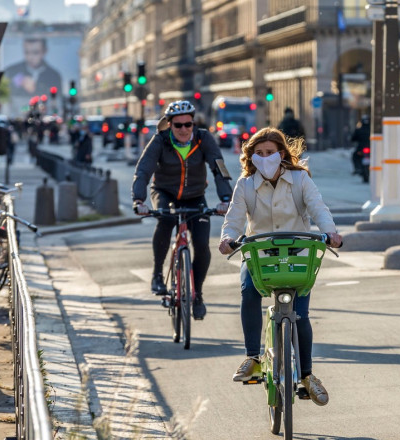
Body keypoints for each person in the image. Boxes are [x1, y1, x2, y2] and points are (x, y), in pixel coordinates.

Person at [218, 127, 342, 406]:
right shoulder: (245, 185)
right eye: (258, 154)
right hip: (260, 256)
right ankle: (252, 357)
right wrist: (227, 239)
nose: (264, 158)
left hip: (298, 254)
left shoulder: (299, 179)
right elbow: (234, 219)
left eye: (270, 152)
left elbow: (318, 208)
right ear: (251, 157)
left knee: (300, 314)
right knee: (248, 291)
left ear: (281, 153)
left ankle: (308, 376)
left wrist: (331, 233)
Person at [132, 100, 233, 320]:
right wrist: (139, 200)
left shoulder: (203, 138)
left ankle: (197, 295)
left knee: (202, 246)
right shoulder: (160, 141)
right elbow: (143, 171)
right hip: (165, 192)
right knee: (165, 220)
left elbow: (220, 168)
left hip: (196, 196)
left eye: (188, 124)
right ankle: (158, 274)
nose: (184, 130)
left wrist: (226, 198)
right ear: (169, 125)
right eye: (178, 125)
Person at [5, 38, 63, 111]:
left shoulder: (54, 75)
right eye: (27, 52)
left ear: (44, 51)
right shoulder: (11, 71)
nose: (30, 57)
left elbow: (57, 103)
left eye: (35, 53)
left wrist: (36, 87)